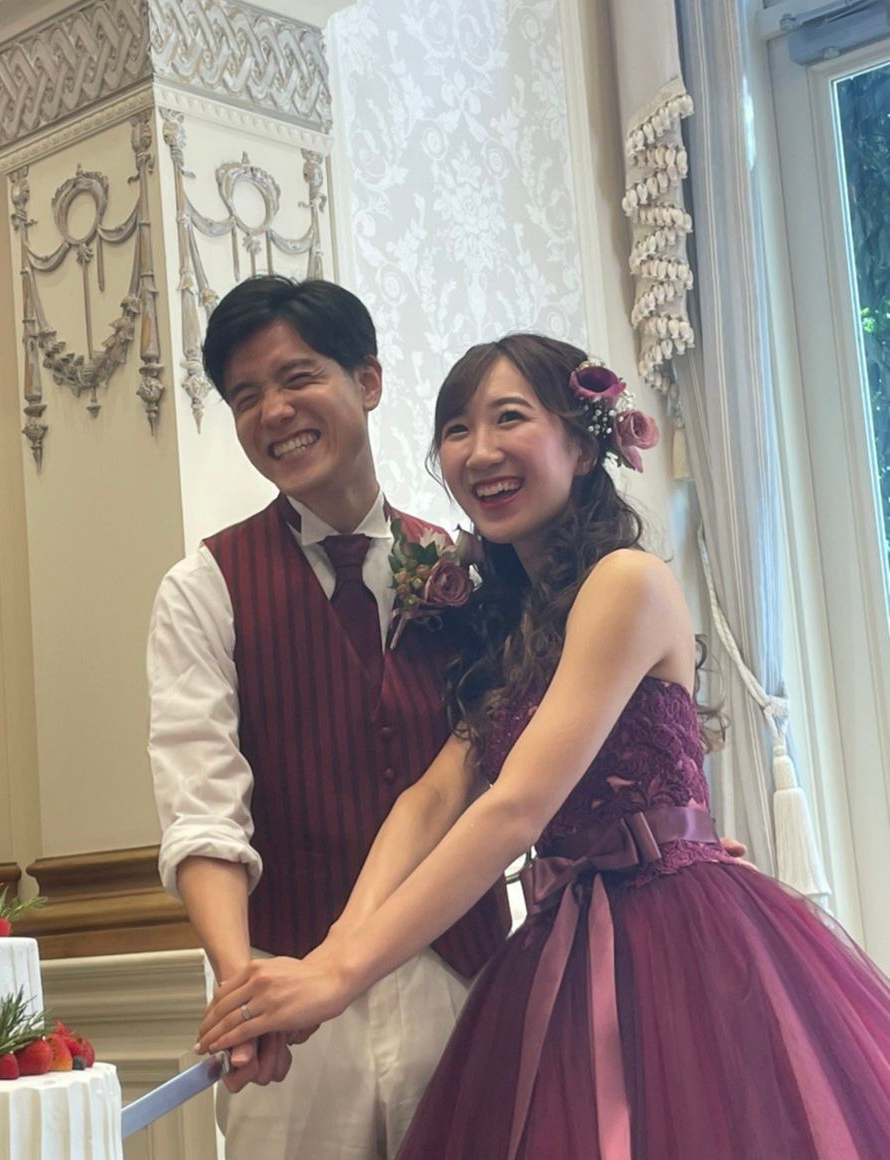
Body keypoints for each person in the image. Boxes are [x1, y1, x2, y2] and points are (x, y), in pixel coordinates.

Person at [197, 333, 890, 1159]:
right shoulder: (514, 628)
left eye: (509, 418)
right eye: (457, 429)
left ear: (584, 447)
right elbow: (430, 799)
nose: (479, 451)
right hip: (564, 938)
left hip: (676, 939)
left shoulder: (627, 582)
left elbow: (515, 808)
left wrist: (340, 978)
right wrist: (332, 953)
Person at [147, 276, 510, 1160]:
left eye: (297, 377)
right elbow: (201, 807)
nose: (273, 411)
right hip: (295, 1005)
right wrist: (242, 982)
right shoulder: (203, 589)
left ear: (368, 381)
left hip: (464, 980)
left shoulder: (471, 571)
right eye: (245, 396)